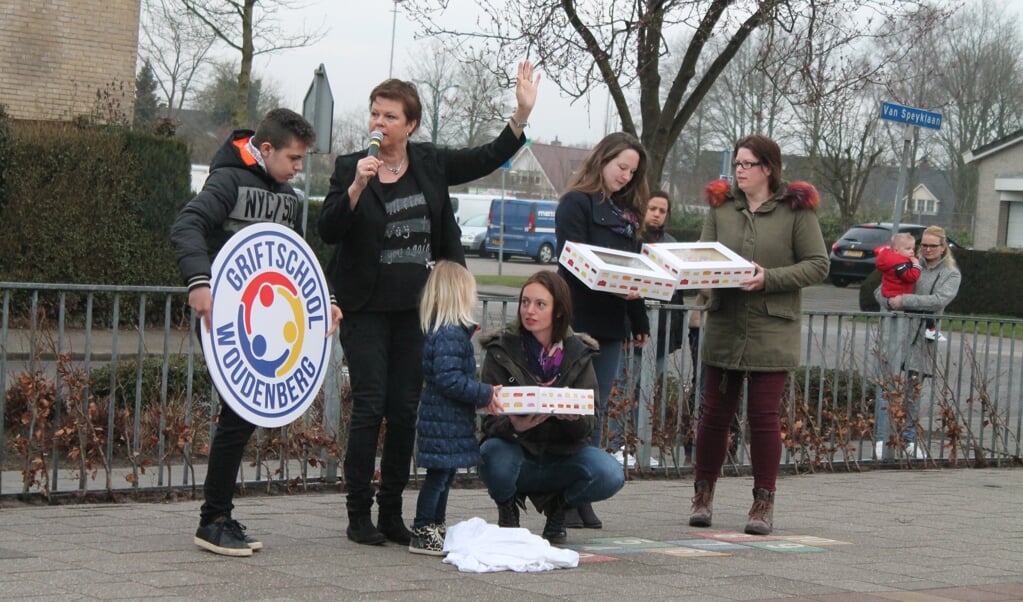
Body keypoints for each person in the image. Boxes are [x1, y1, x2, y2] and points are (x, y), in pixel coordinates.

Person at [318, 62, 539, 546]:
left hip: (419, 311)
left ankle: (392, 511)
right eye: (375, 114)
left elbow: (486, 157)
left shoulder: (430, 164)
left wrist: (519, 116)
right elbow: (329, 230)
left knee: (404, 409)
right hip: (365, 308)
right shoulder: (349, 167)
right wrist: (357, 186)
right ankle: (358, 514)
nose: (379, 123)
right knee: (371, 404)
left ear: (411, 124)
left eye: (390, 116)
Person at [171, 108, 342, 557]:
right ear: (265, 149)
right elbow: (187, 225)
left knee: (240, 418)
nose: (298, 168)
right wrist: (198, 281)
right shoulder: (227, 182)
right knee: (238, 417)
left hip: (262, 322)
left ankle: (219, 516)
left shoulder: (288, 197)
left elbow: (294, 259)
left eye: (302, 160)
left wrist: (324, 301)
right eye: (293, 158)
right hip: (227, 323)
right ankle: (213, 520)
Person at [688, 134, 828, 536]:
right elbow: (702, 256)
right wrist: (690, 275)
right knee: (715, 416)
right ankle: (702, 496)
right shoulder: (721, 206)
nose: (739, 170)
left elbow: (818, 264)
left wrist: (770, 278)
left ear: (768, 168)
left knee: (763, 419)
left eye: (748, 164)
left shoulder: (795, 209)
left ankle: (763, 503)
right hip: (727, 324)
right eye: (736, 163)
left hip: (773, 327)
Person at [478, 271, 625, 544]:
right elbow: (486, 420)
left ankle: (560, 507)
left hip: (562, 454)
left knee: (610, 473)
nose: (529, 311)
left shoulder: (578, 352)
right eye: (525, 302)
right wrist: (514, 426)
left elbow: (589, 420)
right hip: (516, 451)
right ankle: (507, 507)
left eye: (540, 304)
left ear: (558, 311)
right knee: (490, 453)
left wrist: (572, 418)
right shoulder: (502, 349)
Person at [554, 131, 650, 529]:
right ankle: (560, 494)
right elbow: (572, 263)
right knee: (570, 409)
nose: (626, 176)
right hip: (577, 321)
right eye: (621, 166)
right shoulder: (576, 204)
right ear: (602, 160)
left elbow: (636, 271)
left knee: (597, 409)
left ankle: (583, 494)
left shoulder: (628, 216)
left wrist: (639, 318)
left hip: (612, 325)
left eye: (632, 171)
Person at [409, 261, 503, 556]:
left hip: (444, 421)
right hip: (444, 420)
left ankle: (435, 524)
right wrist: (484, 392)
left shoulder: (445, 332)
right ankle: (424, 528)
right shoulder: (451, 334)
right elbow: (450, 380)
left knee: (444, 475)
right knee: (438, 477)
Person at [873, 225, 961, 458]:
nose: (927, 250)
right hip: (895, 334)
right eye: (925, 245)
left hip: (922, 338)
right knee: (887, 389)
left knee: (913, 391)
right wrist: (891, 300)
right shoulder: (905, 261)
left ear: (943, 248)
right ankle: (883, 439)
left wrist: (904, 301)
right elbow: (880, 292)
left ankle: (909, 440)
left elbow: (939, 300)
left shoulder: (950, 274)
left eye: (933, 246)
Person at [875, 233, 942, 341]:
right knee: (923, 312)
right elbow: (911, 277)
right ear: (896, 250)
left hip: (895, 294)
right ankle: (931, 330)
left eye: (913, 248)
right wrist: (916, 266)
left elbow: (940, 299)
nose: (912, 251)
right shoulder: (899, 264)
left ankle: (930, 330)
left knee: (919, 313)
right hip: (897, 295)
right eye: (908, 249)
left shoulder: (894, 262)